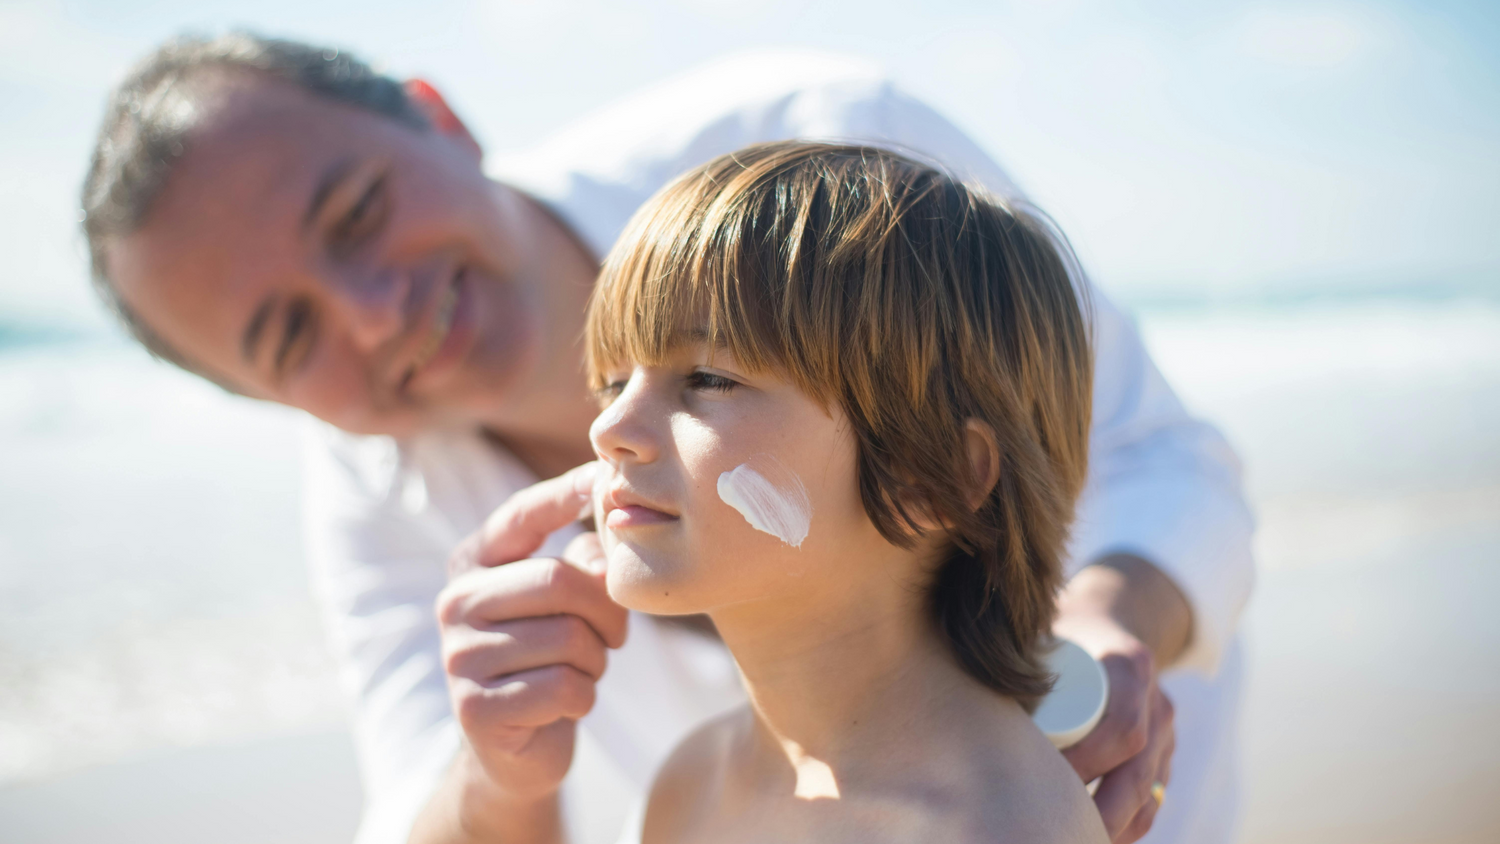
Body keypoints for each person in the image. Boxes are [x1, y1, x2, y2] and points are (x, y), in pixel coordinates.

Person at [80, 32, 1253, 844]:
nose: (376, 311)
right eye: (289, 336)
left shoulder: (844, 170)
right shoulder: (689, 783)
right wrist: (498, 776)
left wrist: (1101, 638)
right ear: (263, 400)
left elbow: (1160, 457)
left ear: (439, 117)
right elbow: (414, 809)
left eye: (359, 211)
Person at [584, 139, 1107, 844]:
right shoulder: (688, 783)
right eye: (614, 382)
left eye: (708, 378)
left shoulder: (995, 825)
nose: (611, 427)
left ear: (933, 477)